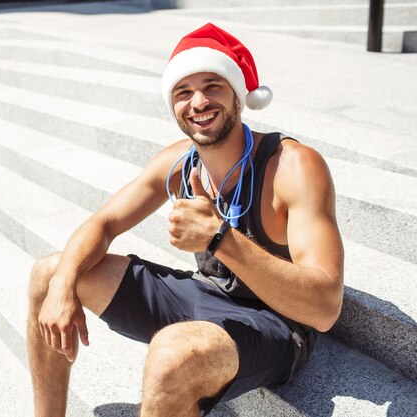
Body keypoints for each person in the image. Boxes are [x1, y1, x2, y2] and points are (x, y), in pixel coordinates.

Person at [27, 23, 344, 417]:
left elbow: (326, 308)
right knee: (50, 274)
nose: (198, 102)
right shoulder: (178, 160)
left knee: (171, 355)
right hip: (206, 296)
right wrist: (62, 287)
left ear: (238, 95)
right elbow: (104, 223)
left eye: (212, 85)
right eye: (183, 91)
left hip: (277, 324)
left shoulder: (293, 166)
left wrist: (219, 238)